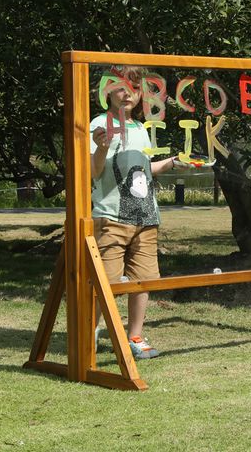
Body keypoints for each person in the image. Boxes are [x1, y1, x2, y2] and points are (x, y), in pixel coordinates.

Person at [90, 65, 175, 359]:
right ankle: (91, 332)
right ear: (106, 91)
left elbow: (142, 170)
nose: (127, 93)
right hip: (110, 216)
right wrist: (101, 147)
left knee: (144, 280)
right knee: (106, 283)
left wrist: (172, 163)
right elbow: (94, 171)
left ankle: (134, 336)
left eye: (134, 88)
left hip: (146, 216)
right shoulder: (97, 124)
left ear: (142, 94)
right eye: (119, 86)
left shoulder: (141, 129)